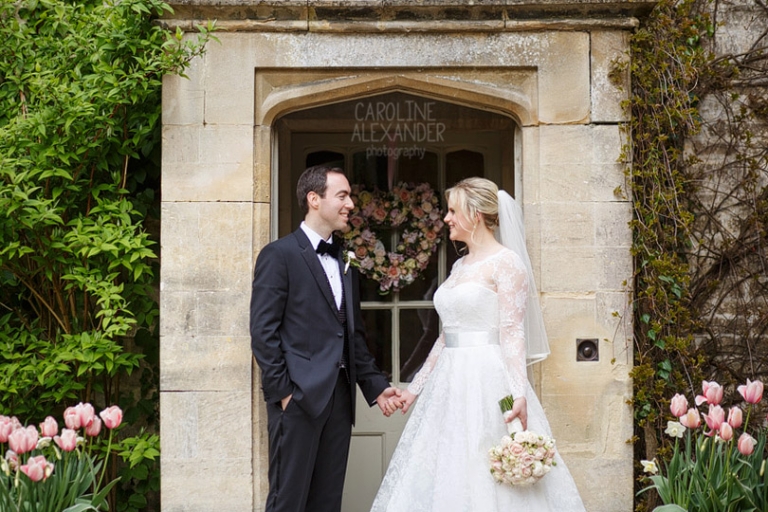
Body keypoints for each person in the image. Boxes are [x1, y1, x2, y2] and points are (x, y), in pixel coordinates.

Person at [370, 177, 587, 512]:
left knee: (488, 462)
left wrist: (518, 393)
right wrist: (415, 389)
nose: (447, 218)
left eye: (453, 211)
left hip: (489, 380)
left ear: (475, 214)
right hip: (449, 382)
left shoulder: (507, 263)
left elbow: (513, 331)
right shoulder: (459, 266)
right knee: (448, 463)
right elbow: (446, 336)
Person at [250, 164, 402, 512]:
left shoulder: (345, 258)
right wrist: (284, 395)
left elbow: (352, 335)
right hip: (298, 401)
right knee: (288, 501)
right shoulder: (279, 255)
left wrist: (376, 387)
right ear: (314, 199)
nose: (350, 204)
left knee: (328, 503)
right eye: (342, 195)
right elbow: (263, 333)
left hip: (339, 400)